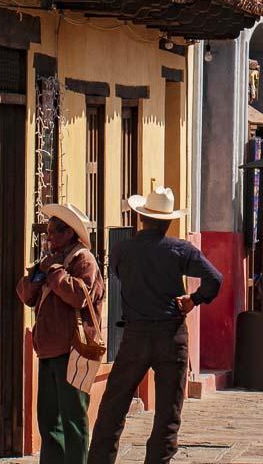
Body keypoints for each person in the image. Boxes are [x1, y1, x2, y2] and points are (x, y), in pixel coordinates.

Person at [88, 189, 223, 464]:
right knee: (168, 412)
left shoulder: (122, 249)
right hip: (171, 335)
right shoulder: (180, 249)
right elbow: (215, 278)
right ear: (168, 222)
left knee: (114, 406)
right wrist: (194, 299)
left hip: (135, 334)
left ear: (141, 218)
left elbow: (116, 273)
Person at [16, 203, 104, 464]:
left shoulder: (83, 260)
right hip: (48, 350)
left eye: (55, 231)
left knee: (73, 420)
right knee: (48, 420)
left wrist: (54, 272)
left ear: (70, 234)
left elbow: (79, 296)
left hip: (72, 351)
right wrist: (38, 273)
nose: (50, 236)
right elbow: (26, 295)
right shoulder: (50, 260)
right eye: (49, 231)